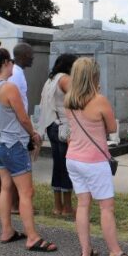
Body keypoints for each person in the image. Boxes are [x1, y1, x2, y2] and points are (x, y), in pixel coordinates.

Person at [65, 57, 128, 256]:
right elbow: (112, 128)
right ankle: (115, 252)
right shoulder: (99, 100)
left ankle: (86, 249)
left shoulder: (69, 100)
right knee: (106, 208)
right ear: (94, 76)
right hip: (94, 160)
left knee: (83, 203)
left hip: (73, 158)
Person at [0, 40, 56, 252]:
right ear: (6, 62)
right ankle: (32, 237)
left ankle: (7, 230)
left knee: (7, 186)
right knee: (26, 191)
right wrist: (33, 135)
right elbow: (24, 118)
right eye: (10, 63)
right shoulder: (9, 88)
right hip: (13, 142)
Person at [36, 53, 78, 218]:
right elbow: (75, 100)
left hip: (52, 125)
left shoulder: (50, 80)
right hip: (64, 127)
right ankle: (67, 207)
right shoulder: (65, 79)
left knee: (58, 165)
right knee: (66, 167)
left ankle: (57, 205)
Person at [0, 42, 34, 213]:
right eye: (31, 54)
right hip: (15, 131)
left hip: (9, 130)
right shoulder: (15, 75)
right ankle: (16, 204)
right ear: (23, 55)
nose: (33, 57)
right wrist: (30, 132)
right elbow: (16, 106)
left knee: (6, 170)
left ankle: (8, 203)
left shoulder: (16, 73)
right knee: (17, 173)